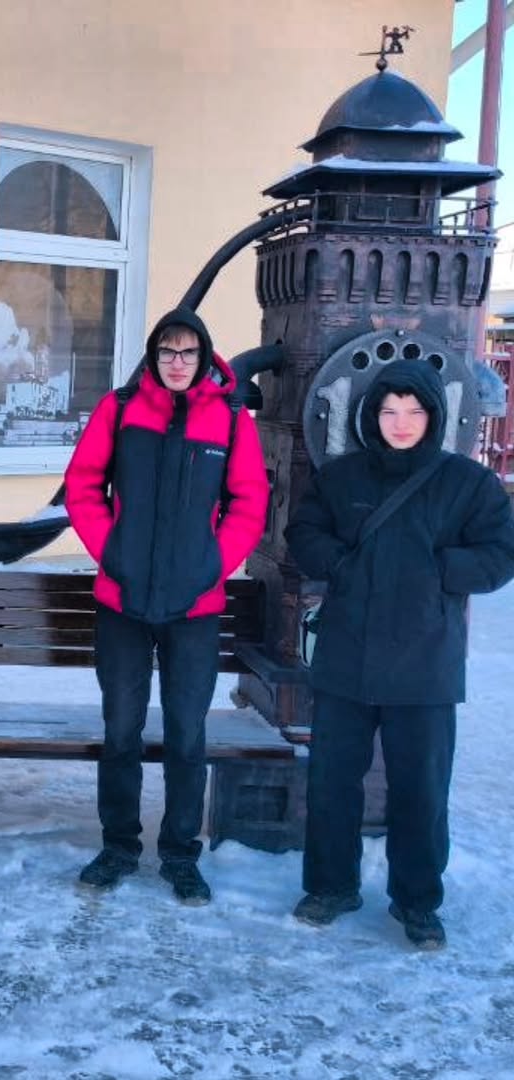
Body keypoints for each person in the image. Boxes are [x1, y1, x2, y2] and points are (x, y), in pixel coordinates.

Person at [285, 358, 514, 949]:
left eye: (414, 411)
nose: (401, 422)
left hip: (425, 663)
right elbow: (302, 533)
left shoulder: (467, 483)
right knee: (333, 782)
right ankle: (330, 886)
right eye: (389, 410)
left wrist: (442, 571)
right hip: (347, 657)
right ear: (372, 415)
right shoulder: (341, 478)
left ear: (434, 415)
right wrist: (338, 564)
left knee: (421, 789)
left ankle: (417, 901)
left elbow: (500, 553)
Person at [64, 307, 268, 903]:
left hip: (194, 609)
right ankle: (118, 846)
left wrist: (212, 564)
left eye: (188, 352)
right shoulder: (120, 409)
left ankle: (180, 854)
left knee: (186, 734)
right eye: (167, 352)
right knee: (121, 731)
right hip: (122, 603)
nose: (178, 363)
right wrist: (113, 551)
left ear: (204, 358)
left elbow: (249, 502)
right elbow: (83, 485)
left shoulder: (231, 420)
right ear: (153, 356)